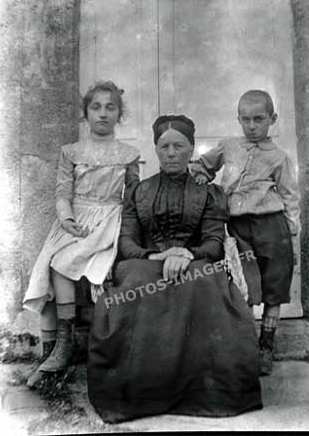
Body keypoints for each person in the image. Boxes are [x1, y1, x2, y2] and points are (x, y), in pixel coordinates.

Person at [88, 114, 262, 423]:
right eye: (164, 146)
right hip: (145, 262)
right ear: (155, 149)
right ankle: (142, 394)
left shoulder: (208, 193)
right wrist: (154, 256)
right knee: (136, 281)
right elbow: (126, 240)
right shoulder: (139, 192)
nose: (171, 153)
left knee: (203, 283)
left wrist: (186, 252)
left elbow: (213, 242)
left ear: (191, 148)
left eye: (179, 146)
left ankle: (205, 393)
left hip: (195, 263)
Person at [23, 80, 140, 388]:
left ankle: (66, 345)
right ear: (86, 113)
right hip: (75, 220)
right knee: (49, 264)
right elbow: (63, 193)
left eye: (110, 107)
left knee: (67, 262)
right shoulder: (71, 152)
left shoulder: (128, 154)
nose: (103, 114)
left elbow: (132, 199)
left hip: (109, 223)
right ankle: (58, 347)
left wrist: (129, 234)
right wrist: (67, 218)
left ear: (119, 114)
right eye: (96, 107)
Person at [191, 90, 300, 375]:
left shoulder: (279, 157)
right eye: (246, 119)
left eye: (259, 119)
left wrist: (291, 229)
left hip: (271, 225)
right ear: (238, 119)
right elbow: (203, 165)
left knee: (274, 283)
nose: (252, 125)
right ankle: (243, 343)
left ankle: (266, 345)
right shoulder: (229, 146)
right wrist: (203, 174)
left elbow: (290, 195)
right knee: (243, 282)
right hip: (238, 227)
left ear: (272, 119)